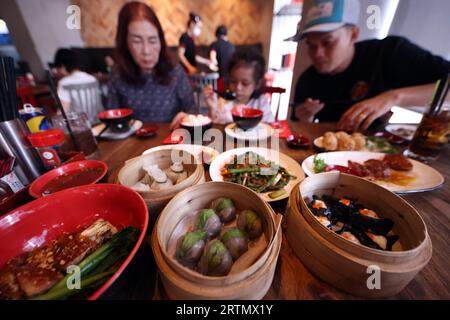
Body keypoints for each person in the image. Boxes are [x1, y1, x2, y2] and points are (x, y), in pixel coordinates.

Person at [293, 0, 450, 132]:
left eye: (328, 42)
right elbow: (300, 128)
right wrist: (305, 118)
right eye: (311, 45)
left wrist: (394, 97)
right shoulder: (308, 79)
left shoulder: (389, 52)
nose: (317, 53)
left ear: (353, 34)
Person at [108, 2, 196, 127]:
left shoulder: (174, 71)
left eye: (153, 40)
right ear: (125, 42)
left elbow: (192, 110)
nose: (146, 51)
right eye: (137, 41)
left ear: (161, 40)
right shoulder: (117, 74)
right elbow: (112, 121)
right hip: (131, 144)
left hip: (172, 141)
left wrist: (188, 118)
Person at [204, 49, 273, 124]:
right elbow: (214, 127)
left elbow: (269, 126)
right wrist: (212, 108)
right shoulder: (223, 102)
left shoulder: (261, 102)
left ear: (257, 84)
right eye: (233, 82)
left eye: (245, 83)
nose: (238, 88)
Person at [54, 48, 99, 114]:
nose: (58, 71)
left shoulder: (64, 83)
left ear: (62, 66)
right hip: (97, 121)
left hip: (79, 123)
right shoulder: (92, 78)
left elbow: (62, 113)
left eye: (58, 67)